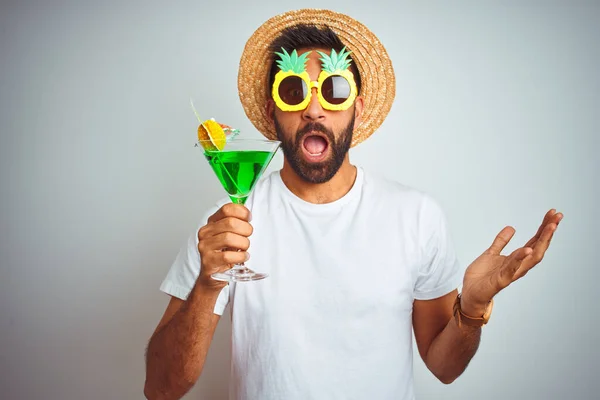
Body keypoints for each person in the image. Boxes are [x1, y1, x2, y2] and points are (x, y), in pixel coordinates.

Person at [144, 9, 563, 400]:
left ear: (357, 110)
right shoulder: (225, 226)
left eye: (334, 89)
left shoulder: (416, 216)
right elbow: (160, 389)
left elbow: (445, 367)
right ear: (273, 111)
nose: (313, 108)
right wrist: (207, 283)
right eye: (293, 92)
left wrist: (471, 310)